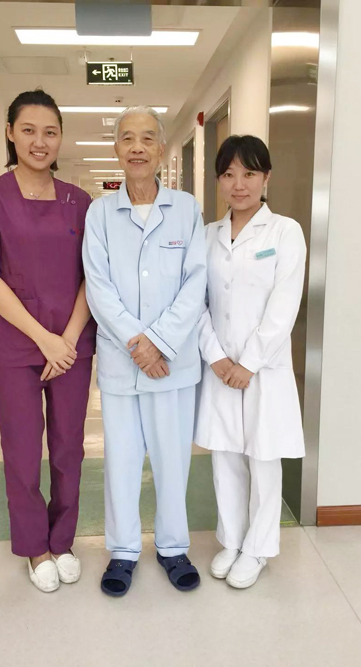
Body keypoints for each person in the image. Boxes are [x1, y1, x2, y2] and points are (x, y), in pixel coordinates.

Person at [0, 90, 96, 593]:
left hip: (72, 344)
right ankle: (35, 548)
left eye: (50, 132)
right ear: (10, 133)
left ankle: (63, 541)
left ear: (61, 138)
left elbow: (93, 277)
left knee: (68, 448)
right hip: (17, 347)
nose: (40, 141)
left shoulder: (80, 202)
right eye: (29, 130)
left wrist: (68, 339)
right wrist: (44, 339)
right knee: (20, 450)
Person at [82, 105, 207, 597]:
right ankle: (123, 551)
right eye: (128, 138)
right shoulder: (99, 214)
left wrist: (159, 343)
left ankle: (173, 547)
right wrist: (140, 345)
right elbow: (98, 288)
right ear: (117, 148)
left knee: (173, 460)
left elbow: (196, 284)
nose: (137, 147)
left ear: (161, 149)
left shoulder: (187, 209)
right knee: (122, 461)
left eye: (148, 138)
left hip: (172, 363)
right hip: (122, 363)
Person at [195, 135, 306, 589]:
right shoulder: (207, 235)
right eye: (228, 174)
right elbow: (195, 302)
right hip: (220, 367)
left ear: (266, 178)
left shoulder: (284, 232)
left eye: (249, 173)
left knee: (263, 457)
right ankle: (232, 540)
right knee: (225, 456)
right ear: (219, 180)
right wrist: (216, 357)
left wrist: (250, 363)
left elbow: (284, 305)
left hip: (263, 368)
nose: (238, 184)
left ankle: (258, 548)